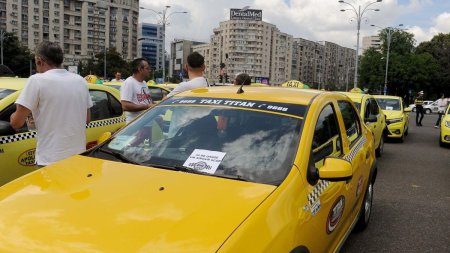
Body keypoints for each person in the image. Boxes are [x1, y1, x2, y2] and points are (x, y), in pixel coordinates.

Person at [10, 41, 93, 167]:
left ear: (39, 60)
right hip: (77, 156)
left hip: (50, 159)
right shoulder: (80, 81)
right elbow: (87, 119)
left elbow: (16, 123)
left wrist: (16, 113)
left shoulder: (37, 80)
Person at [120, 58, 154, 123]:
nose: (149, 70)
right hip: (135, 125)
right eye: (147, 68)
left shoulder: (144, 83)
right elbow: (124, 106)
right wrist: (147, 106)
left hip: (146, 122)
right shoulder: (129, 82)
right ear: (140, 69)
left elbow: (146, 101)